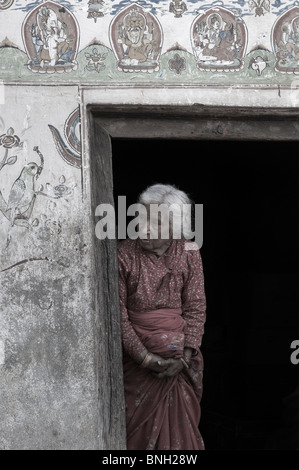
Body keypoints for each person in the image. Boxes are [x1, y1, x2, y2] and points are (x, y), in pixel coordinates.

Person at [117, 184, 206, 450]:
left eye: (154, 223)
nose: (143, 229)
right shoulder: (123, 255)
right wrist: (146, 359)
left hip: (179, 362)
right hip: (137, 362)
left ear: (175, 229)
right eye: (140, 218)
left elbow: (196, 305)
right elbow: (118, 316)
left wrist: (185, 357)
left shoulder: (189, 252)